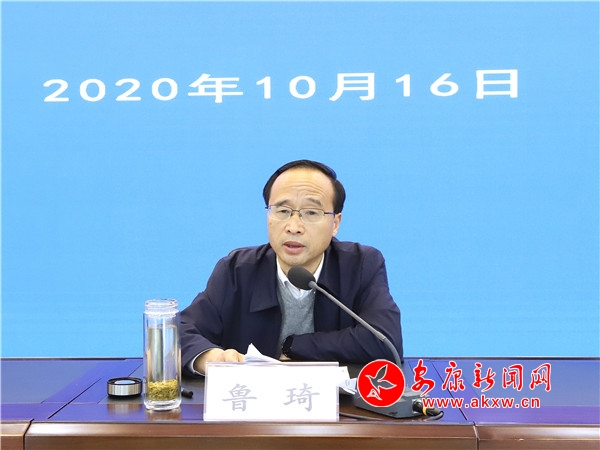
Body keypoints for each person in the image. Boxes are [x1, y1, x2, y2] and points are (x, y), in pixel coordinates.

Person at [180, 159, 403, 375]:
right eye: (282, 211)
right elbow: (179, 331)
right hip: (253, 399)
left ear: (335, 223)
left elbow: (385, 341)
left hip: (336, 400)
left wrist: (294, 346)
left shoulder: (360, 265)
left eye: (311, 212)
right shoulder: (237, 270)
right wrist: (208, 357)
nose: (293, 227)